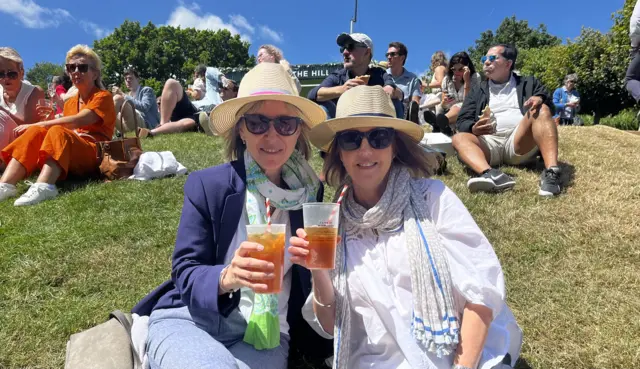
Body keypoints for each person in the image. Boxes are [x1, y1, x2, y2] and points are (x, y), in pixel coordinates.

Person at [290, 85, 522, 369]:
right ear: (338, 152)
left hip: (456, 357)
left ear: (395, 145)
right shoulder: (333, 225)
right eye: (351, 139)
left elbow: (480, 295)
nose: (365, 150)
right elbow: (329, 325)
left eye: (379, 137)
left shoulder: (431, 199)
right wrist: (319, 272)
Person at [131, 63, 333, 369]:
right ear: (240, 128)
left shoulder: (310, 192)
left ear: (298, 130)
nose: (272, 135)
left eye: (286, 124)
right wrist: (228, 276)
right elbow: (185, 270)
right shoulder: (209, 185)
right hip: (193, 317)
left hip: (267, 332)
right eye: (257, 122)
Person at [0, 44, 115, 206]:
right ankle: (5, 184)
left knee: (51, 129)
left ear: (95, 73)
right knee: (37, 131)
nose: (76, 72)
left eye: (82, 67)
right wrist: (46, 120)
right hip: (72, 153)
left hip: (95, 153)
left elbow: (80, 120)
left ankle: (44, 185)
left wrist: (46, 123)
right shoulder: (70, 102)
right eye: (71, 67)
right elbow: (65, 127)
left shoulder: (103, 96)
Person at [452, 44, 562, 197]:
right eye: (485, 58)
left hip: (518, 141)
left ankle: (551, 173)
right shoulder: (478, 89)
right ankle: (492, 175)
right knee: (458, 138)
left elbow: (550, 108)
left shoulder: (528, 83)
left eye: (492, 58)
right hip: (488, 144)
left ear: (508, 64)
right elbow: (462, 120)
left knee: (542, 109)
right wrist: (473, 128)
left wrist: (540, 98)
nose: (486, 62)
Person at [307, 33, 403, 119]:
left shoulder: (380, 74)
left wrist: (390, 90)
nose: (344, 52)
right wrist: (343, 89)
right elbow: (312, 94)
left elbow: (397, 92)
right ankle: (327, 139)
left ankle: (394, 138)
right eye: (343, 48)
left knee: (396, 103)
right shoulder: (339, 76)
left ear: (367, 52)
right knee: (323, 104)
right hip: (344, 130)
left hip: (375, 128)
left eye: (350, 47)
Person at [140, 72, 238, 137]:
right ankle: (162, 124)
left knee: (189, 123)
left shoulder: (232, 107)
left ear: (235, 93)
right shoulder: (213, 93)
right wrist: (222, 78)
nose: (221, 88)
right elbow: (209, 72)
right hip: (192, 108)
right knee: (171, 83)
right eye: (221, 86)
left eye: (226, 88)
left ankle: (151, 133)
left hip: (200, 119)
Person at [0, 47, 46, 150]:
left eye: (12, 74)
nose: (6, 78)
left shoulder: (34, 92)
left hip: (24, 146)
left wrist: (2, 111)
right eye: (1, 74)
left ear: (22, 73)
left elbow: (29, 128)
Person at [425, 52, 480, 136]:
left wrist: (466, 81)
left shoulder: (475, 78)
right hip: (449, 111)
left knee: (459, 106)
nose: (456, 72)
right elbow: (444, 105)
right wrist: (444, 102)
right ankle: (442, 124)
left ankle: (438, 122)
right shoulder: (447, 79)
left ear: (467, 67)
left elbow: (468, 102)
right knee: (441, 107)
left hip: (467, 111)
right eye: (454, 69)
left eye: (460, 69)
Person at [111, 67, 160, 132]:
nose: (127, 80)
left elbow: (144, 107)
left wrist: (122, 94)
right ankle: (105, 132)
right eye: (125, 79)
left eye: (130, 78)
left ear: (138, 79)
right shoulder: (127, 95)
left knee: (117, 98)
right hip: (127, 124)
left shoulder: (146, 90)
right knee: (109, 103)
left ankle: (102, 129)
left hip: (146, 125)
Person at [386, 41, 422, 124]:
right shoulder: (382, 74)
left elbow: (414, 104)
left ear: (402, 58)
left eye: (392, 54)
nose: (388, 57)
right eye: (387, 54)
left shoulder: (412, 79)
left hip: (403, 117)